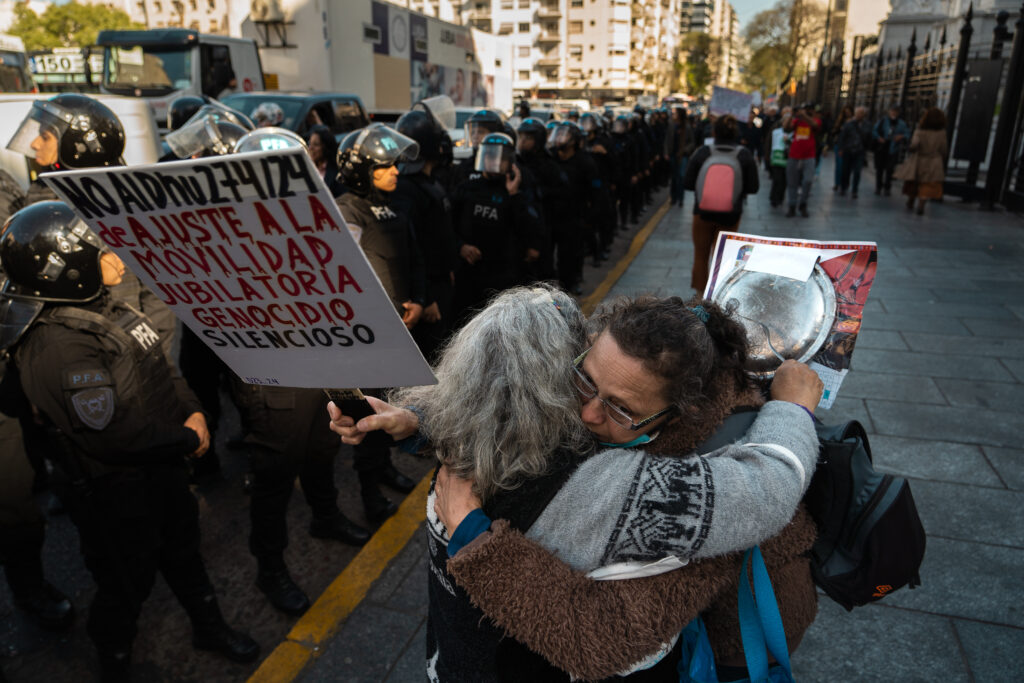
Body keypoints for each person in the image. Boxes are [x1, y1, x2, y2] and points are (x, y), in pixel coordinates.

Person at [328, 285, 823, 682]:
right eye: (583, 380)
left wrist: (470, 530)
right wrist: (416, 422)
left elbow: (771, 487)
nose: (586, 414)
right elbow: (776, 479)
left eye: (622, 408)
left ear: (677, 415)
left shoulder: (631, 489)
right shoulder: (598, 458)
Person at [0, 202, 259, 680]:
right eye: (103, 251)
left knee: (184, 554)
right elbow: (111, 433)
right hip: (114, 491)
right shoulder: (57, 343)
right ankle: (113, 660)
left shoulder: (106, 301)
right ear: (68, 269)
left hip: (161, 467)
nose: (120, 256)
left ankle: (209, 626)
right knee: (126, 583)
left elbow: (159, 362)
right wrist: (186, 439)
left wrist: (196, 412)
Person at [336, 123, 426, 522]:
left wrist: (419, 300)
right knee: (368, 421)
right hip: (367, 337)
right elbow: (349, 277)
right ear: (360, 170)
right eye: (385, 166)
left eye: (395, 165)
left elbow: (413, 255)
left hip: (400, 328)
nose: (395, 172)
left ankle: (386, 469)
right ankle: (370, 495)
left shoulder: (392, 204)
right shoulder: (344, 211)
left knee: (392, 406)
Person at [451, 132, 544, 318]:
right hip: (468, 272)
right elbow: (447, 226)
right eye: (490, 155)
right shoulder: (466, 188)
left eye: (500, 158)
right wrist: (460, 247)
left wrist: (514, 194)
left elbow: (530, 230)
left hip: (502, 274)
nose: (494, 161)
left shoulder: (516, 192)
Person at [393, 104, 460, 361]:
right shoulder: (406, 189)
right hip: (429, 291)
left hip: (442, 282)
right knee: (429, 355)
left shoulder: (429, 182)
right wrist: (428, 296)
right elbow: (413, 247)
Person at [683, 114, 760, 293]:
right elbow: (753, 188)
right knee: (723, 257)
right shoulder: (744, 155)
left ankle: (700, 296)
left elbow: (687, 183)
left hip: (701, 213)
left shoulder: (702, 152)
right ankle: (717, 295)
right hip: (731, 216)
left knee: (701, 256)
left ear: (714, 132)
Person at [896, 107, 948, 215]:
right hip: (934, 160)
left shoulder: (920, 130)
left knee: (914, 181)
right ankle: (921, 203)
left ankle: (911, 200)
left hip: (920, 159)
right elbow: (943, 149)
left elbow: (914, 144)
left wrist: (911, 148)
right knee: (928, 184)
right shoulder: (942, 133)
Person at [784, 103, 820, 217]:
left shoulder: (815, 120)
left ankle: (803, 203)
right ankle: (792, 205)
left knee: (808, 181)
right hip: (794, 155)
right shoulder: (796, 121)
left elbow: (814, 125)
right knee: (792, 183)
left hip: (809, 156)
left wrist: (804, 115)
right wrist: (791, 115)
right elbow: (786, 128)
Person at [873, 106, 909, 197]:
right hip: (882, 148)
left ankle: (887, 187)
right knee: (880, 169)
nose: (894, 113)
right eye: (892, 111)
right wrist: (879, 138)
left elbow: (907, 134)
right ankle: (878, 187)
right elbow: (874, 131)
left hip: (893, 149)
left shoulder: (901, 124)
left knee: (889, 170)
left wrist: (901, 136)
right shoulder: (883, 121)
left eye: (896, 111)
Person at [836, 106, 872, 199]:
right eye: (858, 113)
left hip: (859, 151)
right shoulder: (849, 124)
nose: (859, 115)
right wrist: (841, 149)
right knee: (846, 170)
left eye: (861, 113)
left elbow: (868, 137)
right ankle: (844, 187)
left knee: (857, 171)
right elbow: (842, 137)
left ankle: (854, 190)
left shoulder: (867, 125)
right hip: (848, 150)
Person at [305, 124, 343, 196]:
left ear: (326, 148)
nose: (310, 148)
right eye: (309, 143)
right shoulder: (305, 169)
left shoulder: (337, 173)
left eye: (315, 144)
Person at [767, 107, 792, 208]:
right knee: (777, 179)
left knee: (784, 180)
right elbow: (770, 143)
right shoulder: (776, 131)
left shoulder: (792, 133)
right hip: (777, 158)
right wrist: (768, 156)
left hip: (787, 159)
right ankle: (774, 198)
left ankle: (780, 198)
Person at [830, 105, 853, 193]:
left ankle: (845, 183)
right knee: (839, 165)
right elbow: (833, 131)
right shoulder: (840, 121)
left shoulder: (854, 122)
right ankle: (837, 183)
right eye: (845, 112)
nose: (847, 113)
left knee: (847, 166)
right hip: (839, 144)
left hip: (849, 146)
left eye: (848, 112)